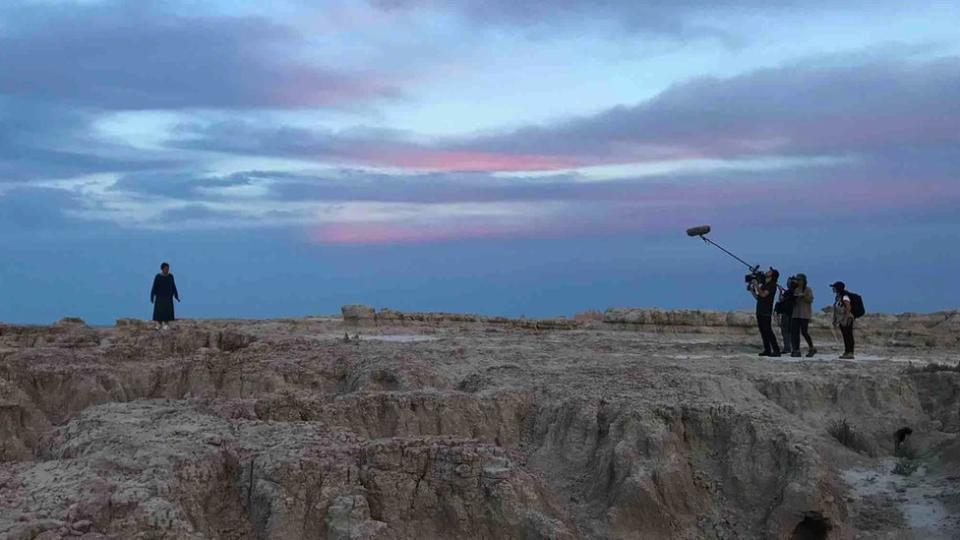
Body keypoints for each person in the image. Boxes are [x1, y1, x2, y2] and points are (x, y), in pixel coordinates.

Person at [750, 267, 781, 357]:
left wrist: (756, 285)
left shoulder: (772, 285)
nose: (767, 271)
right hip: (760, 310)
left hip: (766, 311)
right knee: (763, 331)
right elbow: (758, 298)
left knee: (768, 331)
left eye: (770, 271)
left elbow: (763, 294)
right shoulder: (764, 284)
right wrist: (752, 290)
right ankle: (767, 350)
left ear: (772, 275)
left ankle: (776, 350)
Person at [790, 273, 817, 358]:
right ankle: (796, 350)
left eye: (799, 280)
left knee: (804, 332)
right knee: (795, 333)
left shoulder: (808, 289)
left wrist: (803, 296)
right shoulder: (795, 289)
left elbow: (810, 300)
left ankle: (811, 348)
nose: (798, 281)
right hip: (795, 314)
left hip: (804, 314)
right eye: (797, 280)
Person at [150, 262, 180, 329]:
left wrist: (176, 295)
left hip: (168, 297)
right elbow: (154, 287)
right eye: (166, 269)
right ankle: (158, 324)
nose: (167, 270)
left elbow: (173, 286)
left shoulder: (170, 276)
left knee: (167, 311)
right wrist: (152, 297)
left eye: (168, 269)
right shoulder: (158, 276)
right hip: (159, 297)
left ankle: (166, 324)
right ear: (162, 269)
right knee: (159, 311)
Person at [832, 281, 855, 359]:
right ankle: (847, 352)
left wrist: (846, 318)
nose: (833, 289)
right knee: (845, 336)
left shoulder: (845, 296)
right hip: (841, 319)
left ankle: (850, 352)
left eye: (834, 287)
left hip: (846, 319)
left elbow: (848, 307)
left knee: (848, 335)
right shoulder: (838, 296)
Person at [775, 277, 797, 354]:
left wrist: (780, 291)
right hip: (794, 314)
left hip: (787, 314)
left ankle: (787, 348)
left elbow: (781, 299)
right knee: (791, 332)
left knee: (785, 331)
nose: (787, 283)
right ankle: (792, 348)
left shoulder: (788, 292)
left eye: (788, 282)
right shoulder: (796, 292)